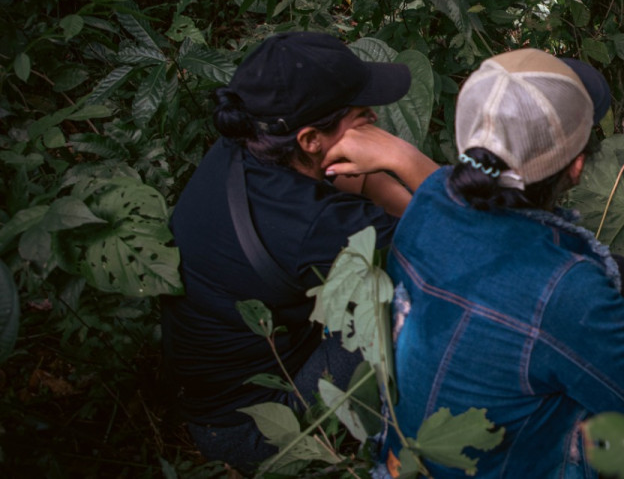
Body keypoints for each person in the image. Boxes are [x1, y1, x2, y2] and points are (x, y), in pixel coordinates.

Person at [363, 49, 624, 478]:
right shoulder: (566, 289)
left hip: (406, 456)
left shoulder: (429, 197)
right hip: (498, 467)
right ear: (576, 167)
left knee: (623, 276)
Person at [161, 32, 438, 474]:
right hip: (260, 429)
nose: (375, 119)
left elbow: (351, 178)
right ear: (310, 139)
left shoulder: (250, 142)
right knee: (426, 298)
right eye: (362, 115)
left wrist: (398, 200)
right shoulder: (314, 224)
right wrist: (406, 159)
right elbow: (473, 244)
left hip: (216, 395)